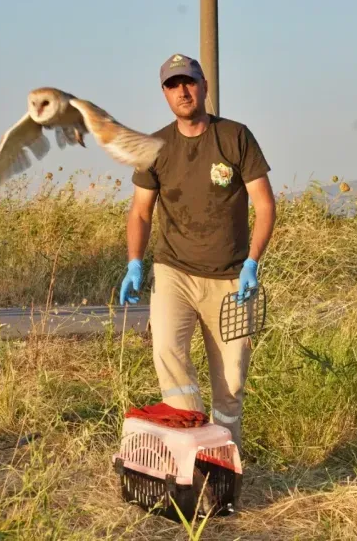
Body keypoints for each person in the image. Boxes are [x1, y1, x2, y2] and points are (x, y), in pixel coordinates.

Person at [118, 53, 276, 457]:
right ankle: (192, 452)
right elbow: (140, 211)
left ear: (204, 86)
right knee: (168, 352)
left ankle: (224, 462)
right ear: (165, 95)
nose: (182, 91)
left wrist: (253, 262)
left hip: (231, 279)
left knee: (233, 383)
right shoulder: (155, 147)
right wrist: (135, 261)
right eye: (173, 85)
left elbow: (264, 204)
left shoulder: (235, 137)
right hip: (175, 272)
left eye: (188, 82)